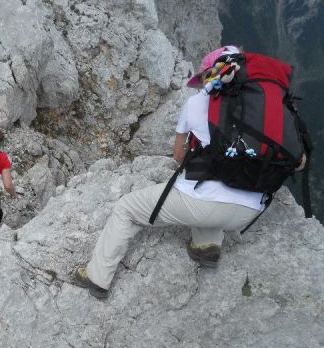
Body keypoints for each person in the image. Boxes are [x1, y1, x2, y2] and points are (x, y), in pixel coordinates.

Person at [74, 45, 306, 299]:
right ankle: (207, 245)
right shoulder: (271, 109)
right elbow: (299, 162)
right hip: (249, 211)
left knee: (127, 209)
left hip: (205, 205)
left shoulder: (197, 102)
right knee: (212, 186)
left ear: (211, 75)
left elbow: (179, 156)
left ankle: (97, 278)